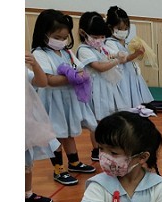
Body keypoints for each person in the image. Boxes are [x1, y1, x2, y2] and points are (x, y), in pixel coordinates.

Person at [31, 9, 97, 186]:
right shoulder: (40, 54)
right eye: (57, 37)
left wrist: (78, 75)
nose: (61, 41)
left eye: (64, 37)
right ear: (44, 33)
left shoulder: (67, 52)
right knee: (56, 135)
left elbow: (80, 69)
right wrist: (73, 77)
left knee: (68, 132)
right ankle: (58, 169)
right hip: (52, 102)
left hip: (68, 99)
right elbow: (49, 81)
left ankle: (74, 162)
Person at [77, 11, 127, 162]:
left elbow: (114, 53)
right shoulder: (84, 50)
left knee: (108, 119)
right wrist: (116, 61)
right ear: (83, 33)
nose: (99, 40)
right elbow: (99, 67)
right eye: (95, 37)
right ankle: (96, 150)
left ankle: (108, 147)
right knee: (96, 122)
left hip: (107, 88)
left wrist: (118, 54)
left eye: (102, 36)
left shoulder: (102, 47)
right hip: (95, 90)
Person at [25, 53, 58, 202]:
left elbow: (42, 82)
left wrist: (35, 64)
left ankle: (27, 193)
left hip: (25, 123)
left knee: (26, 161)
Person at [105, 6, 154, 109]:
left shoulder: (126, 42)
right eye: (119, 29)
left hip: (131, 74)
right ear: (110, 27)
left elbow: (131, 58)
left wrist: (138, 52)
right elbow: (122, 59)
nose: (123, 31)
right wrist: (136, 53)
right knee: (125, 101)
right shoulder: (109, 42)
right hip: (121, 77)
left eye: (126, 29)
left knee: (135, 102)